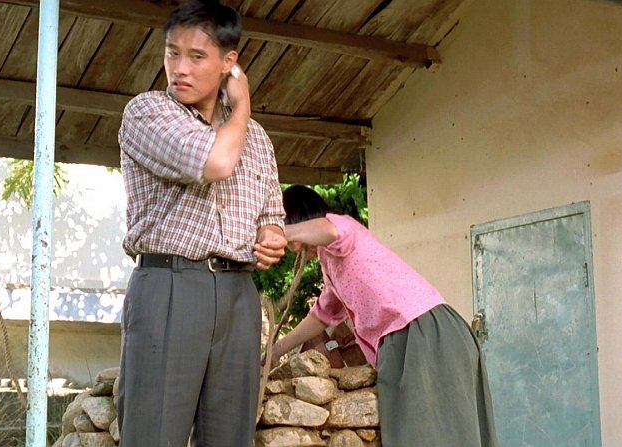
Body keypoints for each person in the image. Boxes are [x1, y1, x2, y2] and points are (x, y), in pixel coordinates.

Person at [115, 1, 286, 445]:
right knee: (154, 434)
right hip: (170, 285)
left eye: (196, 56)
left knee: (231, 437)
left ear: (229, 63)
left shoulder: (258, 138)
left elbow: (272, 214)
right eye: (172, 53)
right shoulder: (148, 112)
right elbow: (217, 161)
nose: (180, 69)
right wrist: (242, 105)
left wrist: (271, 236)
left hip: (238, 294)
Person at [271, 185, 499, 447]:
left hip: (422, 333)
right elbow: (322, 315)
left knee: (430, 437)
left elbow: (329, 230)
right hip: (411, 337)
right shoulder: (330, 263)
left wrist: (279, 231)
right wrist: (277, 350)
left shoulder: (342, 229)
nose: (294, 249)